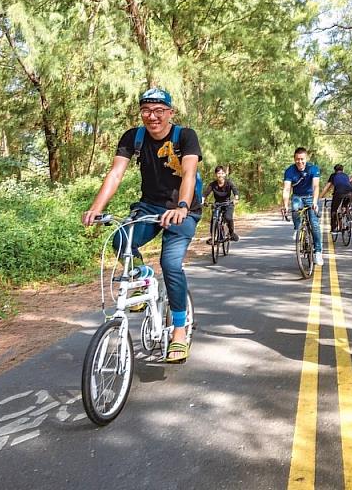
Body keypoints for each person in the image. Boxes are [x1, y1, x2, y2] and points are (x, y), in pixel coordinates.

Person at [82, 87, 201, 364]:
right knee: (120, 238)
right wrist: (96, 208)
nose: (153, 117)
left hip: (182, 209)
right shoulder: (133, 137)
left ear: (170, 113)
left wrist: (182, 207)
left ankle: (180, 331)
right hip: (149, 207)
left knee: (171, 264)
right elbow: (116, 173)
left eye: (159, 111)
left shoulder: (185, 136)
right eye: (147, 110)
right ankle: (142, 273)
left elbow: (189, 173)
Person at [282, 147, 323, 266]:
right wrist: (285, 205)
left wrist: (315, 202)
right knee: (295, 208)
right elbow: (286, 188)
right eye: (297, 159)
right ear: (294, 159)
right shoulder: (290, 170)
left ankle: (318, 252)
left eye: (302, 159)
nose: (299, 162)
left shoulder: (313, 169)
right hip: (297, 196)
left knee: (314, 224)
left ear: (306, 158)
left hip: (310, 196)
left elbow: (316, 186)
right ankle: (297, 228)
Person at [203, 166, 240, 243]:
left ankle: (231, 233)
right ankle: (213, 237)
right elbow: (205, 194)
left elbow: (235, 191)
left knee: (228, 217)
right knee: (214, 219)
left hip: (228, 203)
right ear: (216, 174)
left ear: (224, 174)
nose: (220, 175)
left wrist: (236, 199)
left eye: (222, 173)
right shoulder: (212, 184)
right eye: (218, 173)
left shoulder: (229, 183)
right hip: (217, 204)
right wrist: (203, 200)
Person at [320, 164, 352, 232]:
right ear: (342, 170)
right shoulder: (345, 175)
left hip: (339, 193)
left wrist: (320, 196)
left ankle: (333, 228)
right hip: (350, 193)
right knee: (345, 206)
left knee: (334, 210)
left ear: (335, 170)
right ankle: (348, 217)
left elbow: (327, 187)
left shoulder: (333, 175)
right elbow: (346, 184)